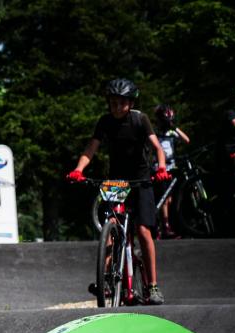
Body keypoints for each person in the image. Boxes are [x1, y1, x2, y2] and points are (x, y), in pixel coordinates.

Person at [67, 78, 169, 305]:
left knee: (143, 232)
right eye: (112, 103)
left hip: (141, 180)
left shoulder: (140, 119)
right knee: (110, 230)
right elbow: (91, 148)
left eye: (120, 103)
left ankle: (153, 286)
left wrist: (161, 168)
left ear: (130, 103)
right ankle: (104, 281)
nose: (115, 107)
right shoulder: (105, 122)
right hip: (116, 182)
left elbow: (157, 148)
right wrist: (78, 170)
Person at [153, 104, 191, 238]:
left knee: (168, 199)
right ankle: (164, 227)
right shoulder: (155, 133)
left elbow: (187, 140)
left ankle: (164, 225)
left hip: (171, 167)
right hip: (159, 168)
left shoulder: (171, 132)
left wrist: (173, 127)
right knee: (163, 198)